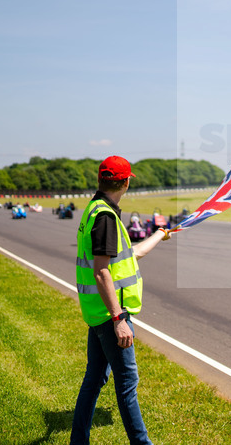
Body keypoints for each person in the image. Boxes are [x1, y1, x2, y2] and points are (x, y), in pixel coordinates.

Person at [71, 156, 170, 445]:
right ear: (126, 182)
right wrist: (119, 320)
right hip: (109, 314)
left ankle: (78, 441)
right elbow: (102, 271)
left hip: (98, 311)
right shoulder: (105, 217)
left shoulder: (96, 209)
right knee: (127, 383)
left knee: (95, 379)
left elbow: (130, 254)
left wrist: (160, 235)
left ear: (100, 180)